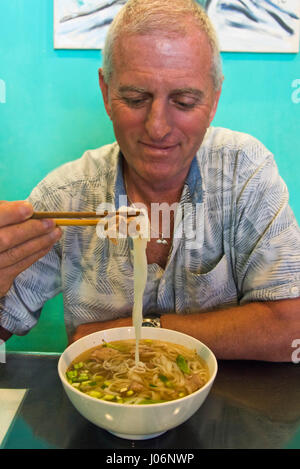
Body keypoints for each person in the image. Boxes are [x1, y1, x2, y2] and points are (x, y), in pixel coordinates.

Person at [0, 0, 299, 361]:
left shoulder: (244, 173)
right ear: (106, 92)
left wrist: (120, 334)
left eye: (185, 101)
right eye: (136, 98)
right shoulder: (67, 196)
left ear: (215, 98)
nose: (157, 127)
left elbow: (291, 328)